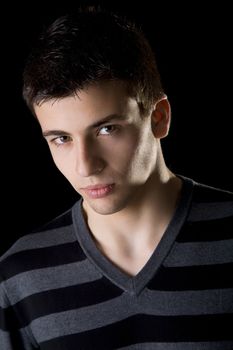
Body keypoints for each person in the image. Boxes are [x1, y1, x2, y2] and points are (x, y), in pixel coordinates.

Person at [0, 6, 232, 350]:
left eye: (107, 129)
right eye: (61, 138)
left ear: (159, 118)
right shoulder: (20, 275)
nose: (85, 166)